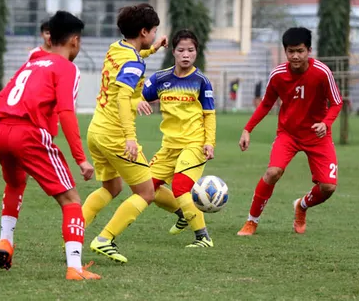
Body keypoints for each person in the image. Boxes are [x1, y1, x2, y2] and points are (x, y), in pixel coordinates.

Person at [0, 11, 101, 281]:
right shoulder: (66, 67)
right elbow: (66, 112)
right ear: (75, 41)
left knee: (15, 182)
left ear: (49, 36)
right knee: (71, 200)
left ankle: (5, 240)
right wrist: (80, 159)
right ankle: (75, 268)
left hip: (0, 132)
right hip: (28, 135)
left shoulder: (32, 62)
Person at [81, 3, 169, 264]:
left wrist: (154, 49)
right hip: (116, 136)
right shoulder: (133, 63)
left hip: (96, 130)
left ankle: (74, 231)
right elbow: (122, 96)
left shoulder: (116, 47)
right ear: (143, 31)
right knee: (146, 193)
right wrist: (130, 137)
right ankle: (105, 239)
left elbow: (133, 60)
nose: (154, 35)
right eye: (153, 31)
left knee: (112, 186)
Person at [236, 27, 343, 236]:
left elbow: (337, 102)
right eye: (291, 51)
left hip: (317, 136)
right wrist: (247, 129)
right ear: (285, 51)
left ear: (309, 50)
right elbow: (266, 104)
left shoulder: (322, 72)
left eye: (300, 51)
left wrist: (326, 123)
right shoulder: (278, 75)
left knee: (328, 187)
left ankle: (301, 206)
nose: (295, 56)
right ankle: (251, 221)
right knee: (272, 172)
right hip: (288, 134)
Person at [138, 29, 217, 248]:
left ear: (196, 53)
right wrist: (137, 100)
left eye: (190, 50)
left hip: (194, 145)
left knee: (181, 187)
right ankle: (182, 212)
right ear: (173, 51)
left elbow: (209, 115)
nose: (185, 54)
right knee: (147, 188)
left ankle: (203, 237)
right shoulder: (161, 78)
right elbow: (134, 93)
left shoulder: (201, 81)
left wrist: (209, 142)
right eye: (181, 50)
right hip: (169, 146)